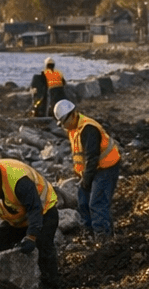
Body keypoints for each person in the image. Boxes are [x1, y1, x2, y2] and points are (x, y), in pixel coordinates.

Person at [0, 157, 63, 289]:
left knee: (43, 245)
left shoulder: (18, 179)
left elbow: (35, 209)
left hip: (45, 212)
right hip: (18, 219)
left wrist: (31, 236)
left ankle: (52, 284)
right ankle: (11, 282)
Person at [52, 99, 121, 244]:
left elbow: (92, 157)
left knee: (97, 203)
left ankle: (104, 237)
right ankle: (88, 233)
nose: (63, 126)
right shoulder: (73, 128)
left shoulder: (88, 129)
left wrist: (86, 180)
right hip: (91, 169)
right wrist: (82, 177)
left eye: (64, 122)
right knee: (83, 202)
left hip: (106, 167)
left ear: (72, 115)